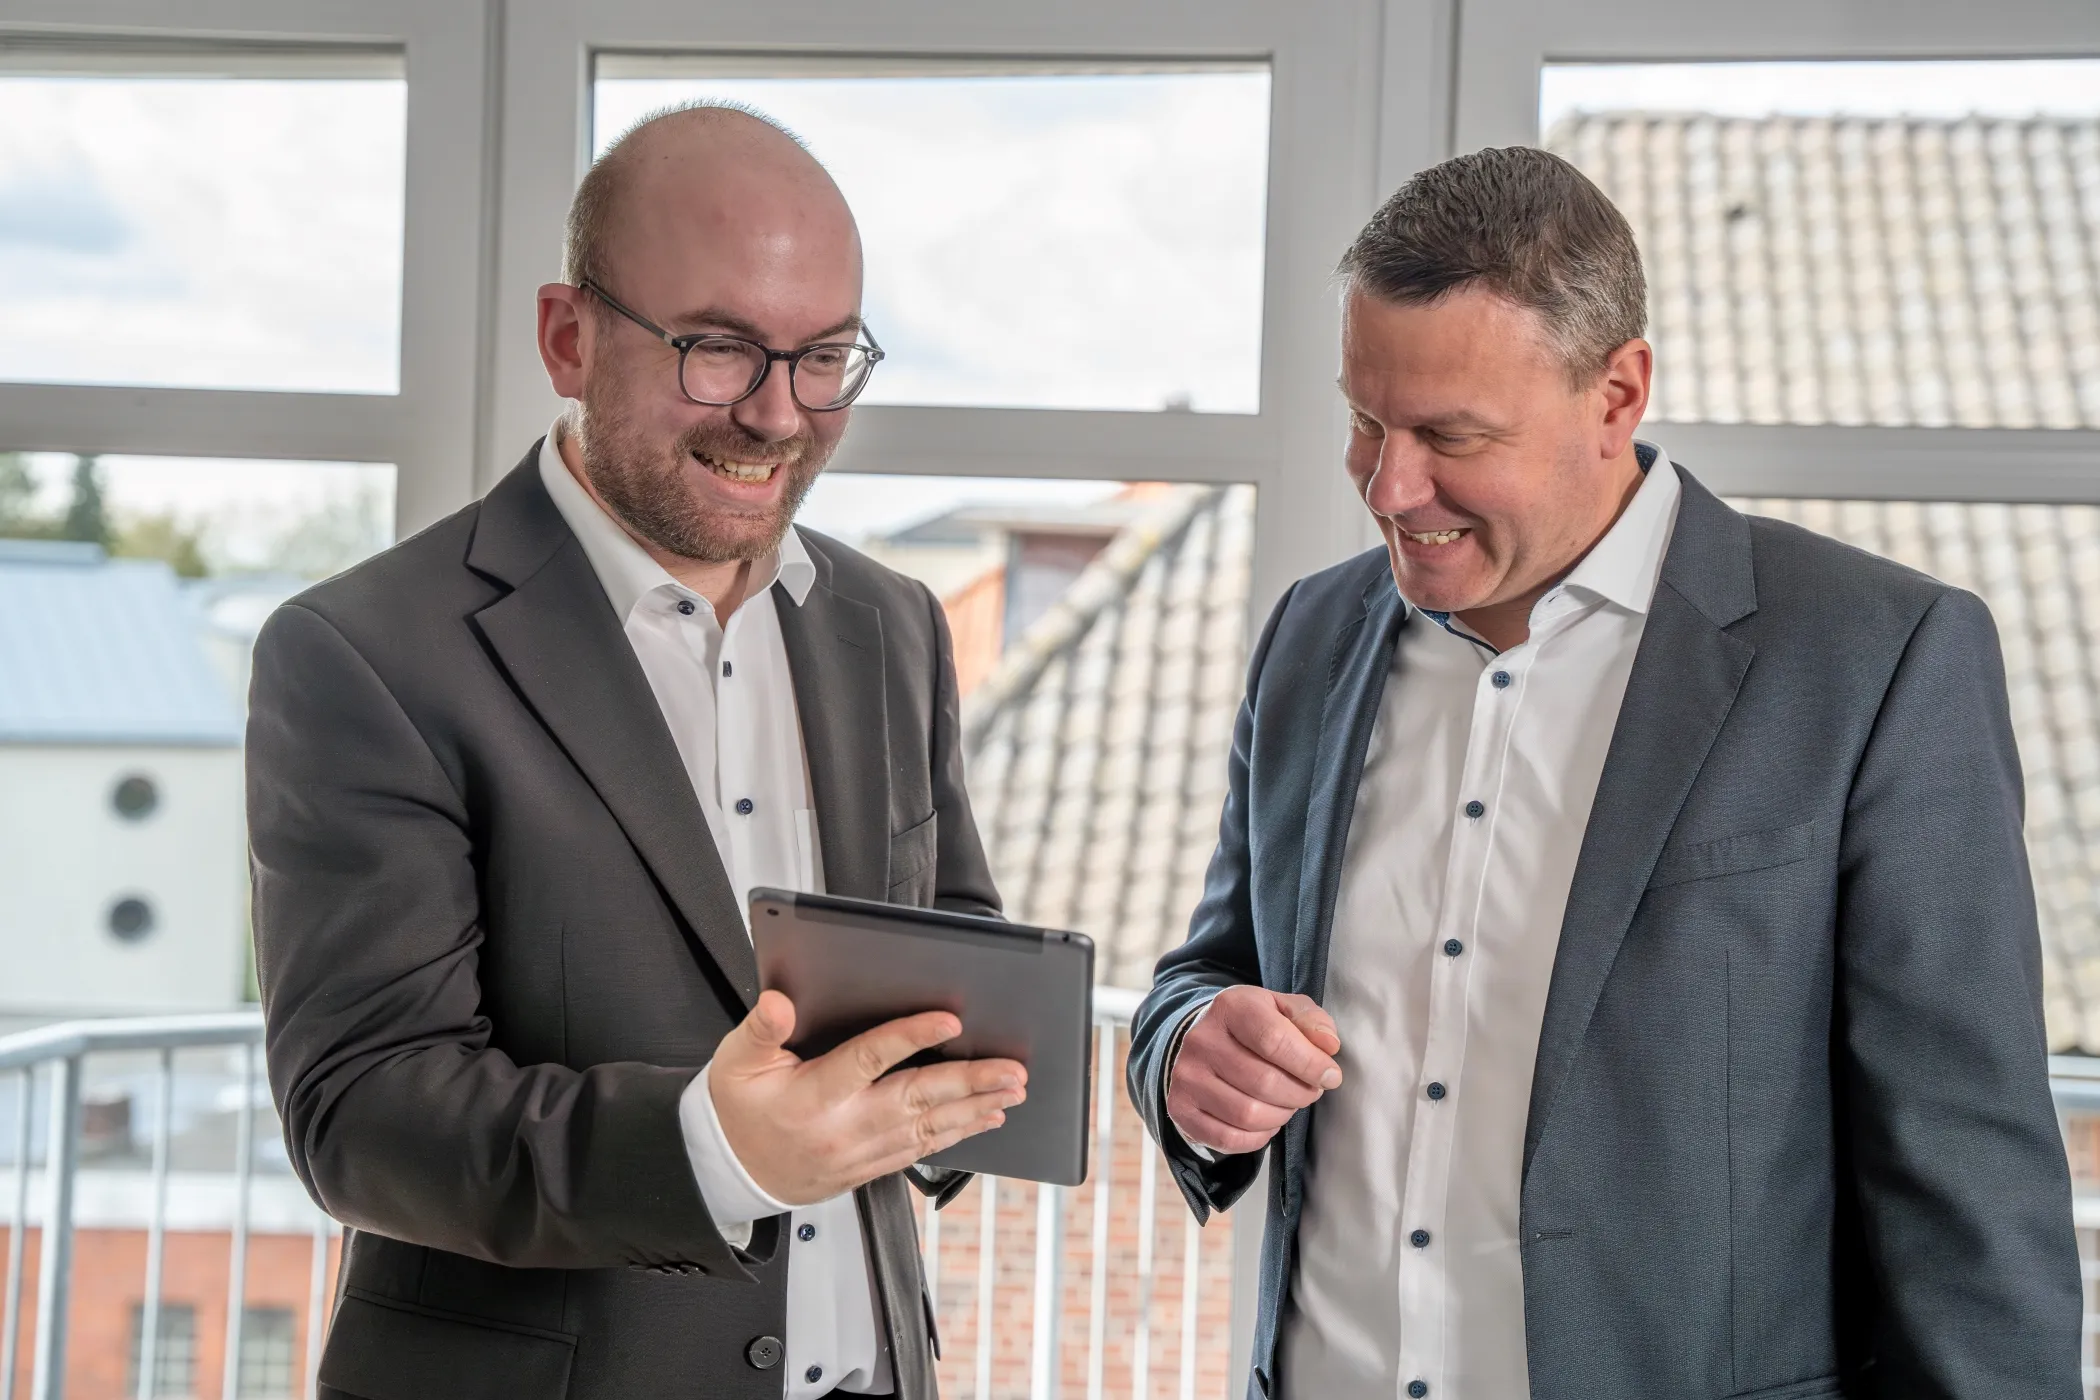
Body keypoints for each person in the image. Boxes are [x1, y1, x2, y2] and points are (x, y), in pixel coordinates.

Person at [1127, 145, 2081, 1400]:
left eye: (1450, 435)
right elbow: (1211, 968)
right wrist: (1185, 1045)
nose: (1387, 484)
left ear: (1617, 392)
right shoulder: (1312, 632)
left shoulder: (1876, 658)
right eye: (1365, 418)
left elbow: (1970, 1191)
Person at [248, 104, 1026, 1400]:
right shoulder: (362, 653)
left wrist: (1026, 1067)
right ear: (569, 336)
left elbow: (943, 944)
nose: (779, 416)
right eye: (718, 351)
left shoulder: (890, 625)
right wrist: (716, 1151)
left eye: (824, 355)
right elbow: (365, 1116)